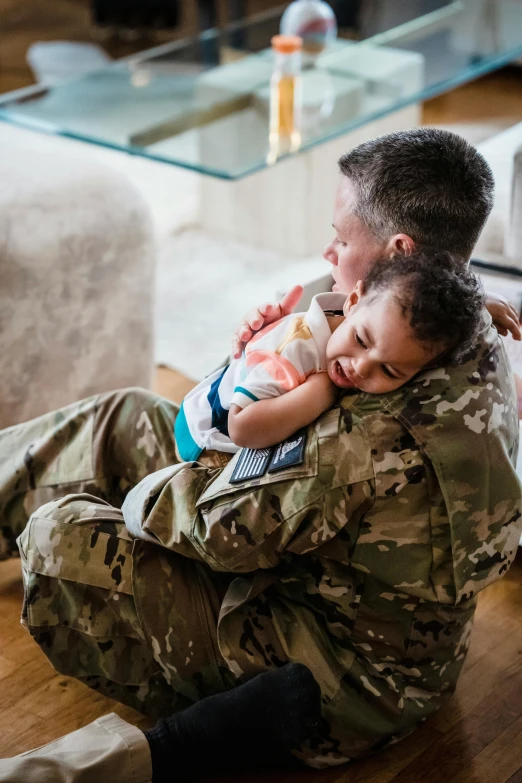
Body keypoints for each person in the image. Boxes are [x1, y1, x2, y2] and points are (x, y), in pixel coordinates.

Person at [0, 128, 521, 773]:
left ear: (399, 251)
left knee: (59, 541)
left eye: (342, 237)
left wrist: (142, 490)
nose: (327, 249)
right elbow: (282, 365)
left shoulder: (372, 432)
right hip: (328, 582)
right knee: (125, 416)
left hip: (339, 678)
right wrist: (256, 356)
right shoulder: (459, 319)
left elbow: (218, 531)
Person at [176, 250, 484, 461]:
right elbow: (240, 428)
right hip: (206, 440)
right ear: (353, 300)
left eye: (389, 372)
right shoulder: (295, 351)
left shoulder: (370, 316)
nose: (360, 368)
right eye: (361, 340)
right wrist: (319, 393)